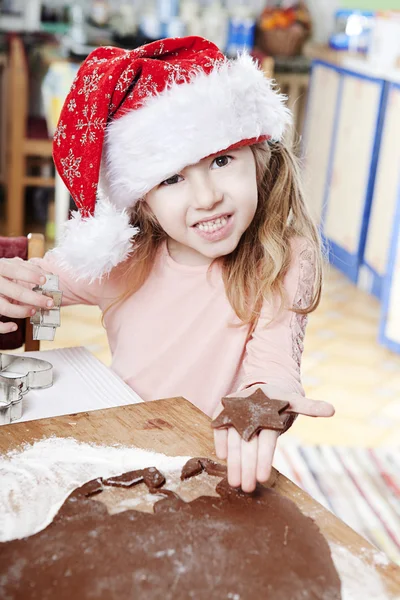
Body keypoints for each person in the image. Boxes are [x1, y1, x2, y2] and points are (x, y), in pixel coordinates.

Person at [0, 36, 334, 492]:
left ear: (258, 160)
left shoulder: (282, 259)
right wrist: (14, 286)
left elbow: (271, 370)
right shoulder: (124, 257)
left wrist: (267, 401)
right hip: (116, 460)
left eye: (221, 160)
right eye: (172, 177)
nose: (206, 196)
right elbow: (38, 290)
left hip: (210, 468)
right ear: (144, 202)